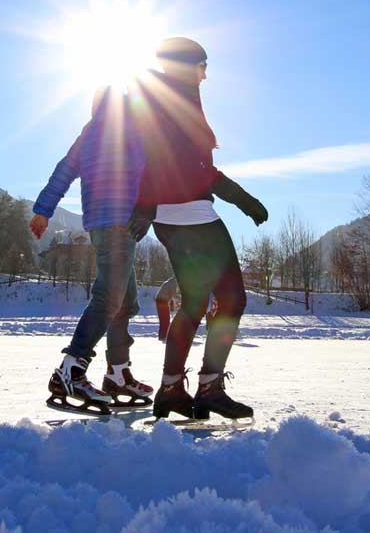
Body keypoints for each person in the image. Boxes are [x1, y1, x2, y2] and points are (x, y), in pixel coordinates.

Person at [128, 37, 268, 421]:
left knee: (193, 303)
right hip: (189, 214)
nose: (206, 73)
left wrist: (240, 197)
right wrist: (241, 198)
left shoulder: (169, 96)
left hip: (171, 218)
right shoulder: (170, 98)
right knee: (233, 299)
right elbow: (152, 154)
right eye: (202, 65)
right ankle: (208, 388)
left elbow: (196, 167)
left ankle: (172, 389)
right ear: (185, 64)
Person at [30, 87, 153, 415]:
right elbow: (152, 176)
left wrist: (43, 210)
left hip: (104, 226)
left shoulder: (88, 136)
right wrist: (148, 210)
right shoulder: (133, 135)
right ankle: (71, 370)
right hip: (118, 225)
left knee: (125, 302)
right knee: (110, 299)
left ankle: (117, 373)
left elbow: (63, 172)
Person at [155, 276, 179, 342]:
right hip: (162, 300)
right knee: (165, 319)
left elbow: (171, 294)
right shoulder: (174, 282)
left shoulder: (171, 281)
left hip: (161, 300)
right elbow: (173, 295)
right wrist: (174, 305)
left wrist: (173, 304)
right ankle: (163, 336)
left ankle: (162, 336)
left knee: (164, 319)